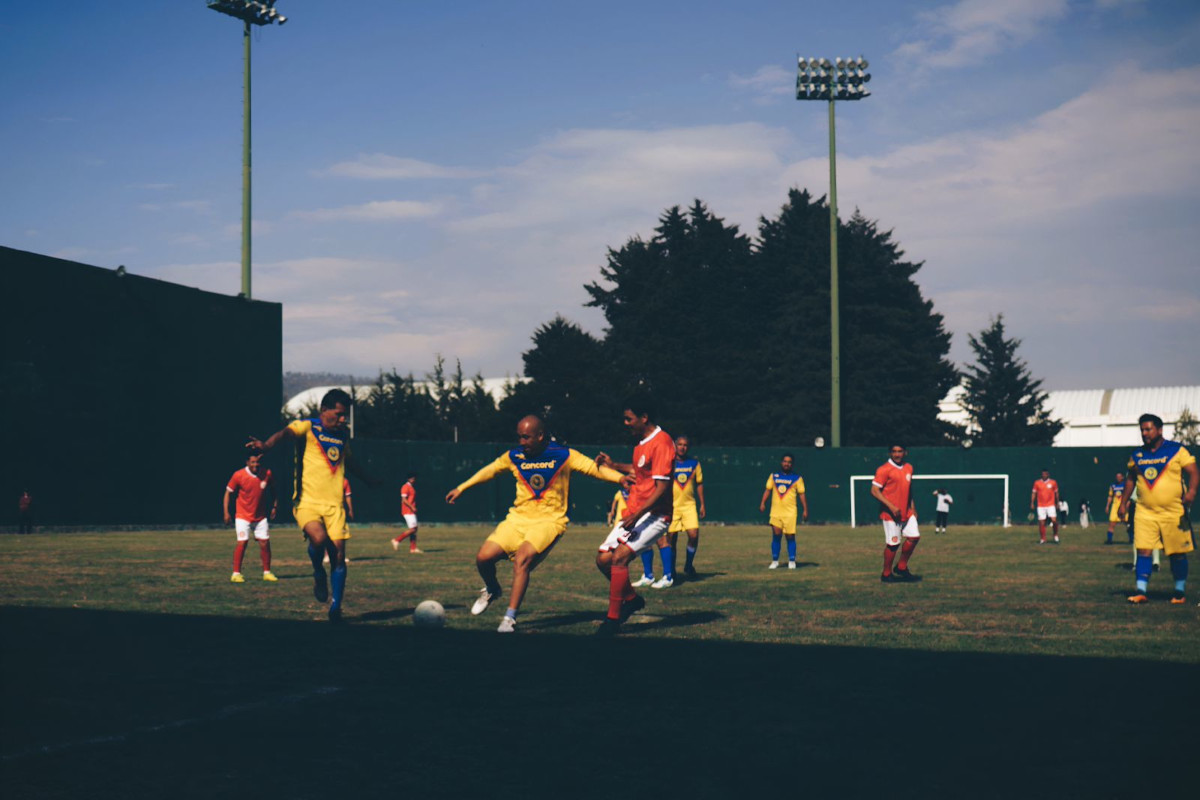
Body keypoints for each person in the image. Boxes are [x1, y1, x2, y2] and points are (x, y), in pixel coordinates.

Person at [446, 415, 622, 633]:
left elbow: (593, 468)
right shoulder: (514, 456)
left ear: (540, 436)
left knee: (522, 559)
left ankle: (509, 620)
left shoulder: (564, 455)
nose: (521, 442)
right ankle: (492, 589)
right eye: (519, 437)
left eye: (526, 437)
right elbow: (490, 470)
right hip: (518, 519)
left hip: (549, 521)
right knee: (483, 558)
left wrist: (620, 479)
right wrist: (462, 487)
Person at [247, 388, 376, 623]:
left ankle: (336, 607)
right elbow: (285, 433)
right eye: (337, 414)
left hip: (335, 506)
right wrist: (266, 446)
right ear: (323, 410)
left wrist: (370, 480)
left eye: (344, 415)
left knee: (338, 556)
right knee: (318, 540)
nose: (342, 419)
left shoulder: (342, 437)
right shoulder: (307, 427)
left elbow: (351, 463)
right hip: (306, 502)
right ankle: (318, 572)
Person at [594, 396, 675, 635]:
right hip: (636, 512)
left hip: (656, 515)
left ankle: (612, 620)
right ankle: (631, 599)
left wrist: (637, 513)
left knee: (619, 558)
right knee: (603, 560)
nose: (626, 423)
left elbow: (661, 488)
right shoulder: (641, 443)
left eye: (629, 419)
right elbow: (640, 470)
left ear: (644, 418)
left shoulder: (662, 442)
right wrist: (613, 465)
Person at [1118, 413, 1197, 605]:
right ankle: (1141, 591)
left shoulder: (1177, 450)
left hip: (1173, 512)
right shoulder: (1137, 455)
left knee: (1177, 553)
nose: (1144, 433)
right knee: (1143, 550)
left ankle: (1179, 592)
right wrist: (1123, 503)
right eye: (1142, 430)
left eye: (1148, 429)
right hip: (1145, 512)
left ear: (1159, 430)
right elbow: (1130, 480)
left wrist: (1192, 491)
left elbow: (1193, 471)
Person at [642, 434, 706, 588]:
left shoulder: (694, 463)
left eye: (685, 445)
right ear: (675, 446)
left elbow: (699, 484)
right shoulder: (668, 463)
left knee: (694, 535)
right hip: (672, 507)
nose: (682, 447)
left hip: (689, 506)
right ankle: (671, 572)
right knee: (671, 540)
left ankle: (688, 566)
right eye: (680, 444)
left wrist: (702, 504)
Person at [224, 453, 278, 582]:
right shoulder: (239, 475)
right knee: (242, 542)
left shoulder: (267, 473)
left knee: (265, 543)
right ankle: (236, 574)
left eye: (257, 462)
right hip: (243, 515)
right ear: (247, 462)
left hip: (260, 516)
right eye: (252, 462)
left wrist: (275, 506)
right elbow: (228, 493)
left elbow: (274, 490)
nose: (255, 465)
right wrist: (226, 512)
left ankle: (267, 573)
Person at [871, 444, 921, 582]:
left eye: (900, 451)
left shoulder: (909, 468)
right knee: (893, 544)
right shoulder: (884, 469)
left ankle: (901, 567)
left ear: (905, 452)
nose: (897, 454)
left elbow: (908, 490)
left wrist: (913, 508)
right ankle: (886, 574)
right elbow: (874, 491)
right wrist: (891, 507)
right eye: (894, 451)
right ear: (890, 453)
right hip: (890, 514)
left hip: (907, 511)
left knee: (914, 537)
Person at [758, 454, 808, 569]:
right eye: (785, 461)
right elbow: (767, 490)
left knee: (790, 536)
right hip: (776, 512)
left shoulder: (797, 478)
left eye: (789, 462)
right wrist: (762, 502)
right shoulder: (774, 476)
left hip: (790, 513)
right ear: (781, 462)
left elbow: (802, 494)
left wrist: (805, 509)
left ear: (792, 464)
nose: (787, 464)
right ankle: (775, 560)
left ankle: (792, 560)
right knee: (776, 535)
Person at [392, 473, 421, 553]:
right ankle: (397, 540)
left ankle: (413, 548)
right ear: (408, 479)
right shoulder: (405, 487)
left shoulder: (411, 487)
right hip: (407, 511)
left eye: (414, 478)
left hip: (411, 511)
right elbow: (404, 500)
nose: (414, 480)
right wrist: (412, 507)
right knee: (413, 529)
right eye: (412, 478)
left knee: (415, 529)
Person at [1031, 469, 1061, 544]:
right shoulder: (1037, 483)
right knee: (1042, 522)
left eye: (1045, 474)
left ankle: (1055, 535)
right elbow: (1034, 493)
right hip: (1041, 505)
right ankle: (1043, 539)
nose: (1044, 475)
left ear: (1048, 474)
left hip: (1051, 504)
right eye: (1043, 474)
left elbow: (1056, 493)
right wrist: (1032, 502)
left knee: (1054, 520)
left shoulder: (1053, 482)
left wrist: (1057, 503)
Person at [1104, 473, 1129, 545]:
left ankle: (1131, 539)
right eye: (1117, 477)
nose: (1118, 478)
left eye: (1119, 476)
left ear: (1122, 477)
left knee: (1127, 523)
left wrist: (1127, 504)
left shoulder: (1126, 485)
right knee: (1112, 523)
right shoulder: (1113, 486)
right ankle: (1109, 540)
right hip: (1115, 507)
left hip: (1123, 506)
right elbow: (1110, 496)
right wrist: (1107, 506)